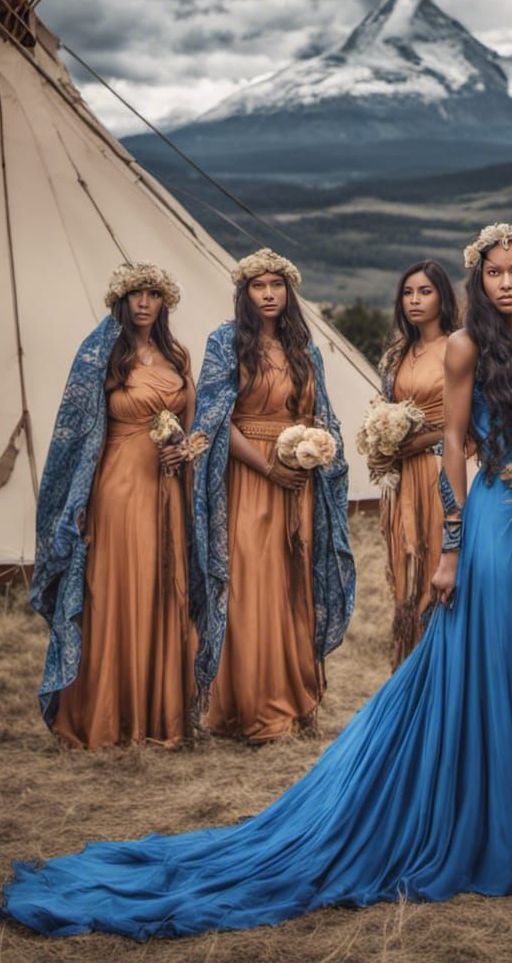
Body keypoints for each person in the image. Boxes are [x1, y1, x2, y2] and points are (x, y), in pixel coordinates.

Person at [0, 223, 512, 939]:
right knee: (481, 670)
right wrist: (452, 546)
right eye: (492, 271)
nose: (504, 283)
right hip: (491, 524)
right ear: (479, 279)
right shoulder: (469, 347)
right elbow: (456, 444)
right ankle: (479, 834)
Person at [29, 262, 199, 749]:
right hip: (117, 487)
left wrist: (182, 448)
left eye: (153, 294)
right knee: (117, 590)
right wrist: (76, 499)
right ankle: (106, 717)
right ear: (120, 302)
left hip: (166, 487)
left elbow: (189, 420)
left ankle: (158, 716)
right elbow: (78, 433)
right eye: (135, 294)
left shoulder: (177, 355)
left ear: (164, 302)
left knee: (161, 588)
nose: (144, 303)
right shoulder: (101, 355)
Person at [192, 249, 355, 743]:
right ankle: (250, 708)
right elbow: (216, 418)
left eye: (277, 286)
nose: (268, 294)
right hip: (247, 478)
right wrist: (267, 466)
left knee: (292, 585)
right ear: (245, 293)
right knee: (249, 585)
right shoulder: (225, 343)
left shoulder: (306, 350)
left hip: (297, 482)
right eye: (258, 286)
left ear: (289, 292)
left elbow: (322, 415)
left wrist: (316, 452)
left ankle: (291, 702)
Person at [376, 259, 459, 665]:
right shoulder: (397, 353)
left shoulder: (458, 347)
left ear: (443, 297)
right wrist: (384, 440)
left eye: (425, 292)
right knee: (405, 574)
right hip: (402, 477)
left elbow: (468, 426)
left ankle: (438, 665)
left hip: (441, 470)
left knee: (434, 569)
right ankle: (407, 666)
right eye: (408, 293)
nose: (415, 300)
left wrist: (418, 441)